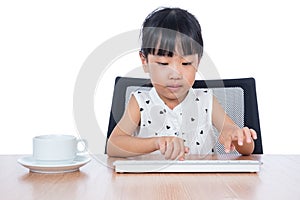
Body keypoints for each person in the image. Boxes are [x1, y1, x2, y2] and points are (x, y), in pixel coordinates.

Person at [107, 7, 257, 160]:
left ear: (198, 62)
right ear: (145, 61)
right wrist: (156, 142)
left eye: (186, 63)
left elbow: (247, 149)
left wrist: (238, 136)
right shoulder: (140, 102)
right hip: (151, 183)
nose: (175, 75)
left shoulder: (206, 100)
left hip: (201, 183)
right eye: (163, 63)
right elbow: (113, 145)